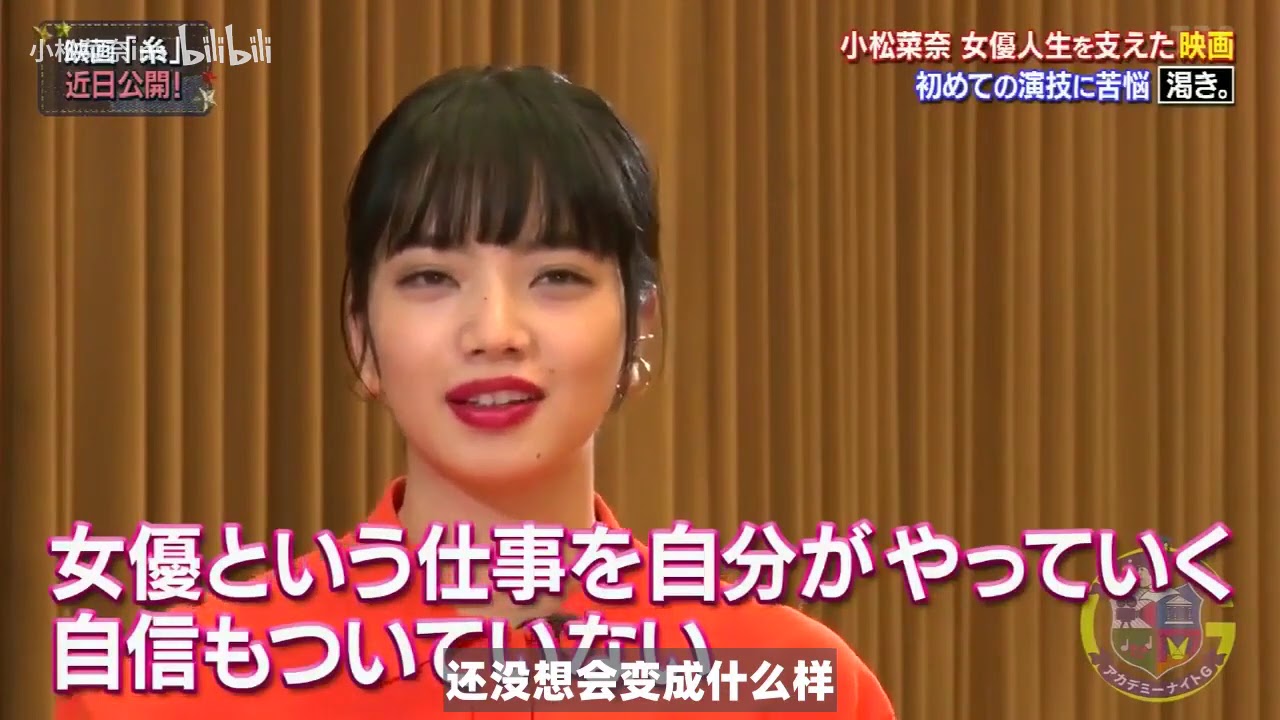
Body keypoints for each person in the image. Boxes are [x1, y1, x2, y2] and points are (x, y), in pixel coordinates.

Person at [56, 65, 894, 719]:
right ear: (362, 335)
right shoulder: (169, 689)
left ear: (639, 324)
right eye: (430, 277)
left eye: (557, 276)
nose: (495, 331)